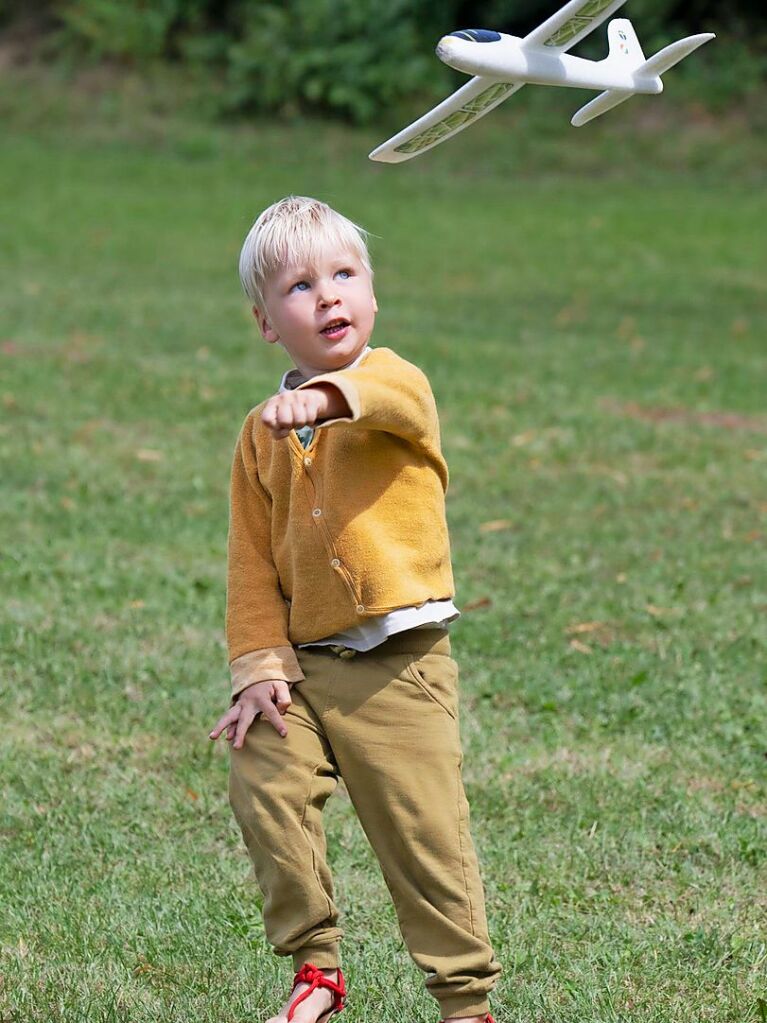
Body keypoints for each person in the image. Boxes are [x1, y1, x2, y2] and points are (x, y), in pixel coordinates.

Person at [209, 195, 501, 1023]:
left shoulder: (391, 382)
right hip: (305, 671)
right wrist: (258, 669)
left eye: (345, 274)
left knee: (424, 837)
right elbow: (250, 563)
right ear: (266, 322)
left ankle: (464, 1000)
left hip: (398, 668)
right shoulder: (257, 433)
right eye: (301, 286)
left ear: (372, 292)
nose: (329, 295)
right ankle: (316, 970)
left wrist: (329, 399)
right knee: (262, 777)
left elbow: (386, 403)